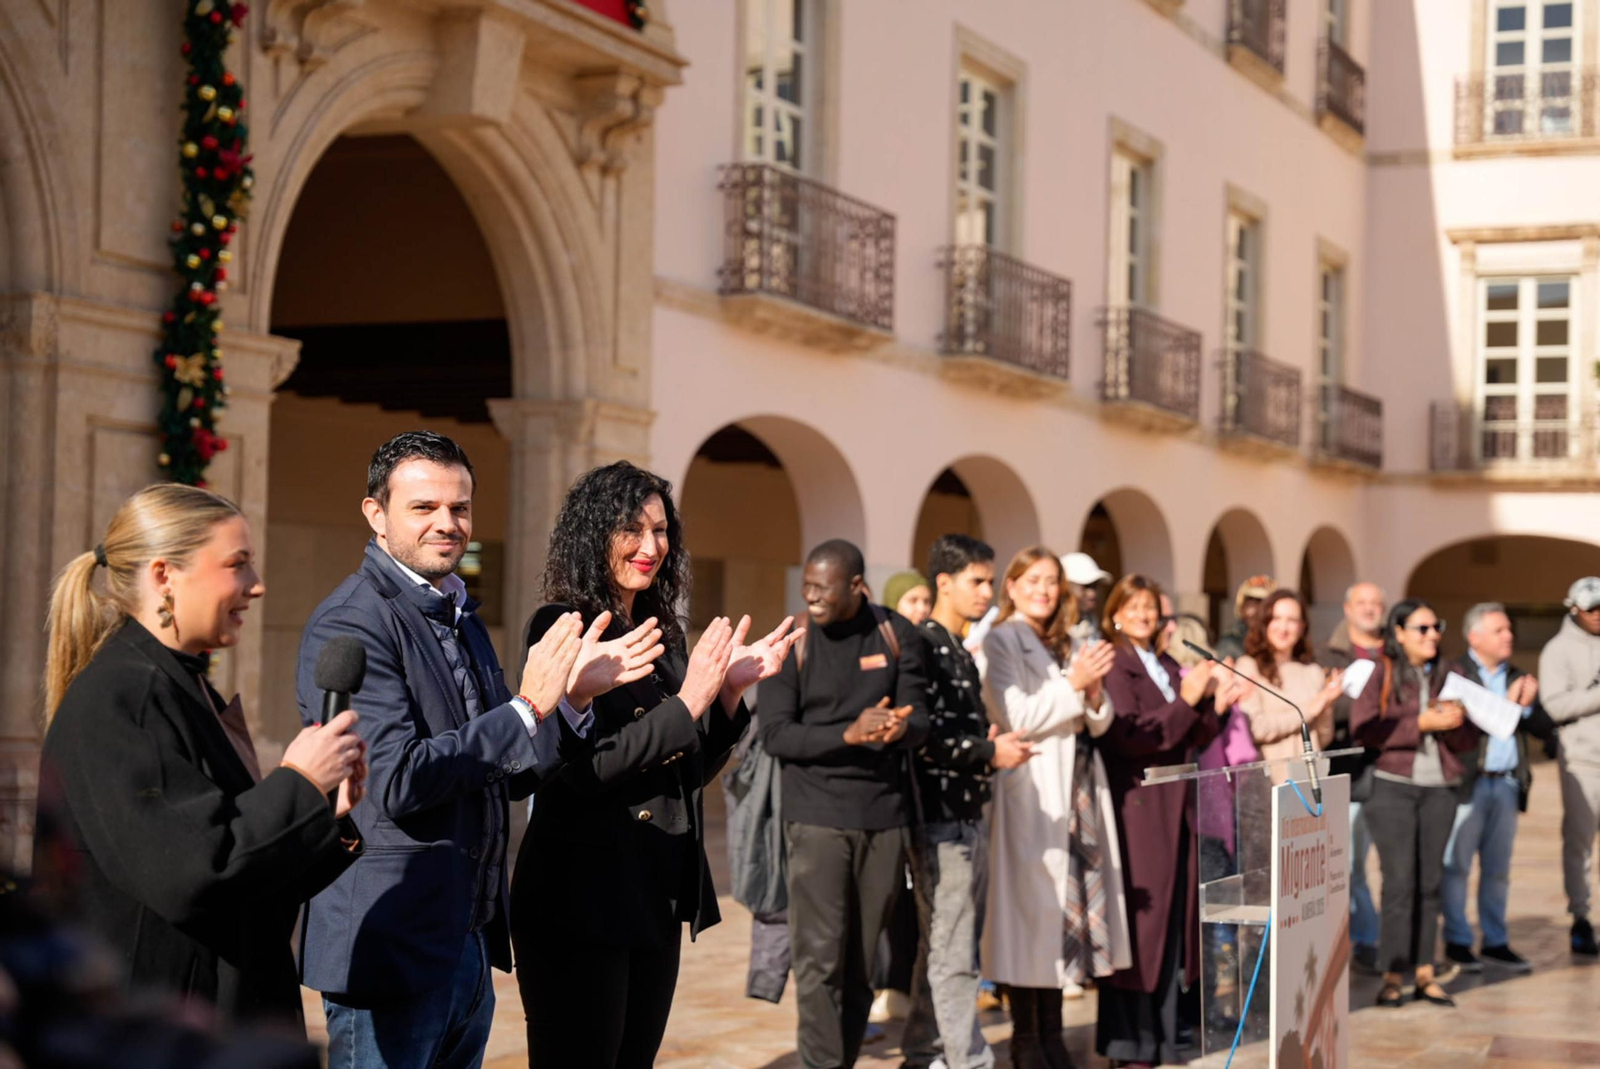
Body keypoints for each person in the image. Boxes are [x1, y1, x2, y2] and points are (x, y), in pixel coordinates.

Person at [296, 432, 594, 1069]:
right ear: (376, 514)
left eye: (459, 509)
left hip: (466, 942)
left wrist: (571, 704)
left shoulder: (459, 615)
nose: (447, 524)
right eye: (423, 507)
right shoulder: (353, 621)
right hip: (390, 947)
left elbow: (506, 773)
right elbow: (397, 781)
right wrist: (529, 707)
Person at [34, 483, 366, 1027]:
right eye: (237, 564)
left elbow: (242, 885)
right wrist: (298, 782)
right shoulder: (126, 695)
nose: (256, 587)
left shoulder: (176, 686)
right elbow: (194, 874)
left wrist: (325, 814)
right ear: (165, 576)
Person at [514, 461, 797, 1067]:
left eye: (662, 531)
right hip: (581, 897)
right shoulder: (561, 626)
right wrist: (692, 699)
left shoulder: (660, 632)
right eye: (632, 529)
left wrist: (725, 697)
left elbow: (680, 774)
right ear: (594, 532)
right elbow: (578, 772)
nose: (651, 547)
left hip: (653, 896)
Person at [758, 539, 931, 1069]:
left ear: (856, 586)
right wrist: (849, 735)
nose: (810, 595)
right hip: (816, 822)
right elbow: (776, 735)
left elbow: (922, 719)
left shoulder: (896, 635)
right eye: (806, 584)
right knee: (820, 961)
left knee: (859, 965)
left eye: (822, 587)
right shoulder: (796, 643)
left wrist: (900, 728)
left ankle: (843, 1059)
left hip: (884, 821)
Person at [981, 547, 1128, 1069]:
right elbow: (1015, 712)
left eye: (1052, 582)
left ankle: (1053, 1034)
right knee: (1029, 916)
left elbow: (1098, 720)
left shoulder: (1069, 641)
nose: (1044, 590)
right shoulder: (1000, 640)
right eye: (1034, 580)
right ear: (1013, 586)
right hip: (1034, 789)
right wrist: (1074, 682)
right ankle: (1027, 1038)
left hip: (1078, 789)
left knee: (1064, 916)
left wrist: (1091, 691)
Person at [901, 536, 1035, 1069]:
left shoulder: (956, 646)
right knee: (954, 951)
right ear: (943, 582)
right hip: (940, 820)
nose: (987, 592)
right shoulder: (920, 644)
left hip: (965, 817)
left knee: (943, 942)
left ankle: (922, 1048)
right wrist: (988, 751)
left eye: (988, 581)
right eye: (977, 581)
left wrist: (990, 742)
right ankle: (968, 1061)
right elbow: (919, 734)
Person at [1095, 575, 1239, 1067]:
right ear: (1115, 611)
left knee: (1172, 928)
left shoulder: (1164, 663)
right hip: (1140, 804)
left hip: (1178, 805)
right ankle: (1129, 1042)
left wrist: (1215, 705)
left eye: (1151, 608)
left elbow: (1188, 733)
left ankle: (1160, 1036)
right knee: (1143, 928)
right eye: (1132, 607)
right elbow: (1133, 737)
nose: (1143, 615)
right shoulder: (1115, 662)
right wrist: (1189, 700)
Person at [1350, 599, 1480, 1009]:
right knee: (1399, 883)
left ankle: (1425, 970)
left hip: (1439, 787)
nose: (1432, 635)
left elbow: (1470, 740)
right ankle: (1392, 973)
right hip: (1392, 786)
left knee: (1430, 882)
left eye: (1436, 626)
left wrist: (1457, 722)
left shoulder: (1452, 673)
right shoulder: (1381, 670)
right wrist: (1418, 723)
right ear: (1399, 632)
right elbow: (1364, 728)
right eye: (1421, 628)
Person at [1442, 603, 1551, 974]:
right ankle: (1457, 941)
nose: (1509, 636)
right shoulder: (1456, 674)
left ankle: (1496, 941)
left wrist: (1528, 707)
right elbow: (1458, 729)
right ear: (1475, 637)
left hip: (1504, 785)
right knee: (1456, 866)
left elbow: (1542, 728)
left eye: (1509, 630)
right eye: (1499, 630)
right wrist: (1506, 706)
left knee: (1498, 869)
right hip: (1468, 785)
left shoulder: (1518, 676)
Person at [1322, 580, 1386, 974]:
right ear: (1347, 608)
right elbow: (1332, 713)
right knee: (1348, 864)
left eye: (1376, 602)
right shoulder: (1327, 653)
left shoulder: (1396, 652)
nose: (1369, 609)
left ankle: (1377, 938)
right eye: (1361, 602)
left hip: (1395, 771)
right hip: (1351, 773)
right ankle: (1361, 939)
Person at [1539, 576, 1600, 957]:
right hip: (1583, 761)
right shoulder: (1557, 650)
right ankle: (1581, 917)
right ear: (1573, 608)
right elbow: (1554, 706)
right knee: (1580, 844)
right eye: (1591, 608)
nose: (1597, 615)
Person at [1234, 590, 1341, 771]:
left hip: (1310, 777)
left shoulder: (1313, 671)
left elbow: (1323, 737)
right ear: (1265, 623)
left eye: (1292, 620)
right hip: (1268, 781)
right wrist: (1311, 709)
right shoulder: (1248, 667)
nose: (1283, 628)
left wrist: (1328, 703)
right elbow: (1257, 728)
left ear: (1302, 626)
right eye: (1276, 618)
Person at [1213, 574, 1273, 661]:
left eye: (1264, 603)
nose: (1258, 610)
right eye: (1252, 603)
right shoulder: (1231, 642)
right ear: (1242, 608)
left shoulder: (1277, 638)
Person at [1063, 552, 1113, 644]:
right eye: (1086, 586)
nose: (1092, 594)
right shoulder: (1053, 631)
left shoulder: (1093, 624)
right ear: (1066, 587)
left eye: (1095, 586)